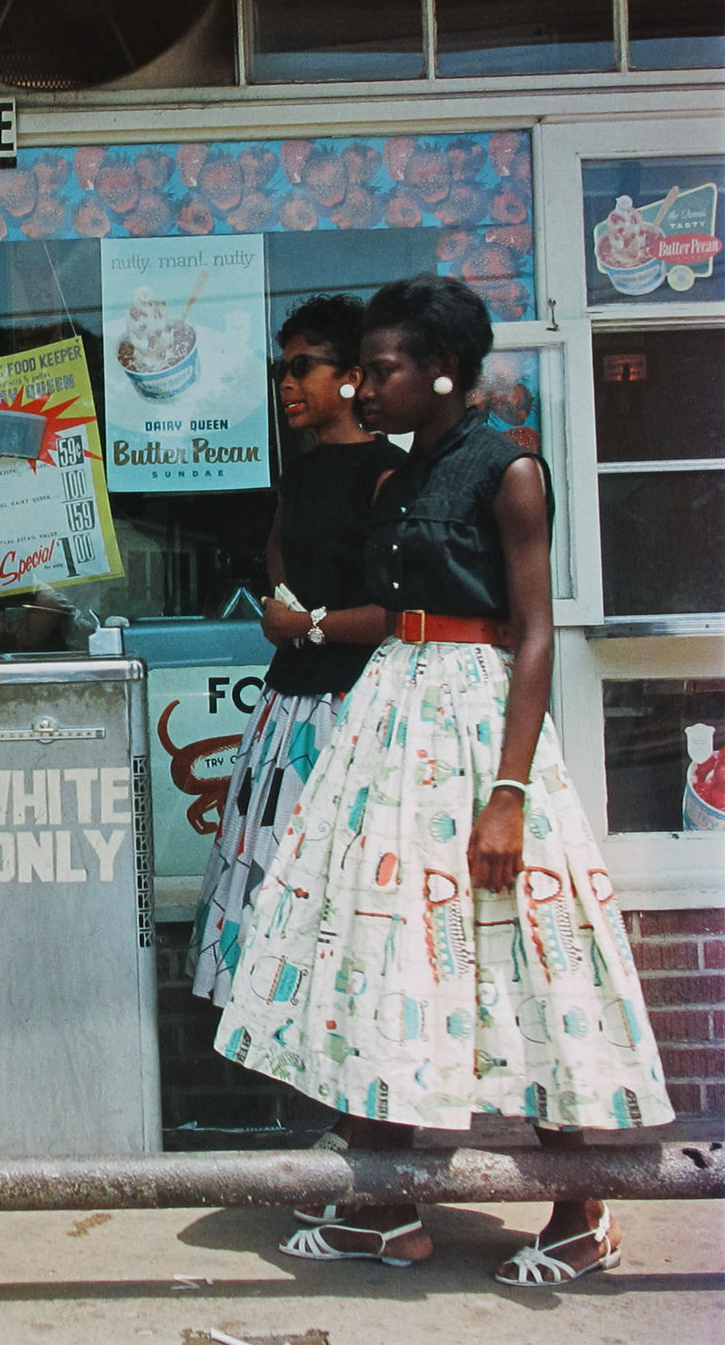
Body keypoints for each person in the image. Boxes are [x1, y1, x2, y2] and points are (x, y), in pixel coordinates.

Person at [213, 274, 672, 1286]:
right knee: (379, 948)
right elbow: (383, 606)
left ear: (444, 373)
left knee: (522, 954)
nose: (365, 387)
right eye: (364, 370)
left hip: (473, 724)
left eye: (381, 370)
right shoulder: (398, 475)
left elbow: (533, 632)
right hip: (389, 713)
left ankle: (577, 1213)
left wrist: (506, 791)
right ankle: (383, 1202)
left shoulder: (505, 469)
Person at [189, 295, 402, 1006]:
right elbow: (279, 547)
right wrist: (284, 602)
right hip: (289, 708)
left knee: (346, 885)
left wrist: (304, 622)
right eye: (281, 369)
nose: (286, 384)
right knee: (280, 880)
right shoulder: (304, 471)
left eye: (302, 367)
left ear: (351, 377)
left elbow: (402, 610)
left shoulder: (388, 475)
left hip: (357, 706)